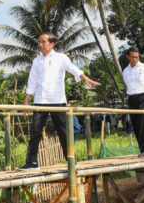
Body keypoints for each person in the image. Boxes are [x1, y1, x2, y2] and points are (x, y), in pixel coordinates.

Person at [21, 33, 101, 170]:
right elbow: (32, 82)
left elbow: (74, 69)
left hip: (58, 101)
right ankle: (31, 162)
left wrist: (86, 79)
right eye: (39, 42)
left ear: (52, 44)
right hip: (40, 101)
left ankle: (71, 160)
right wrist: (26, 102)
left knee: (64, 132)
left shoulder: (61, 58)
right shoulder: (36, 61)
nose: (40, 45)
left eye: (43, 42)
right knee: (35, 131)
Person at [122, 47, 144, 156]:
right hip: (132, 97)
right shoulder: (126, 70)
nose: (134, 59)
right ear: (128, 57)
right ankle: (142, 149)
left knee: (143, 123)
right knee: (136, 123)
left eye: (136, 57)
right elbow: (127, 84)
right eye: (132, 57)